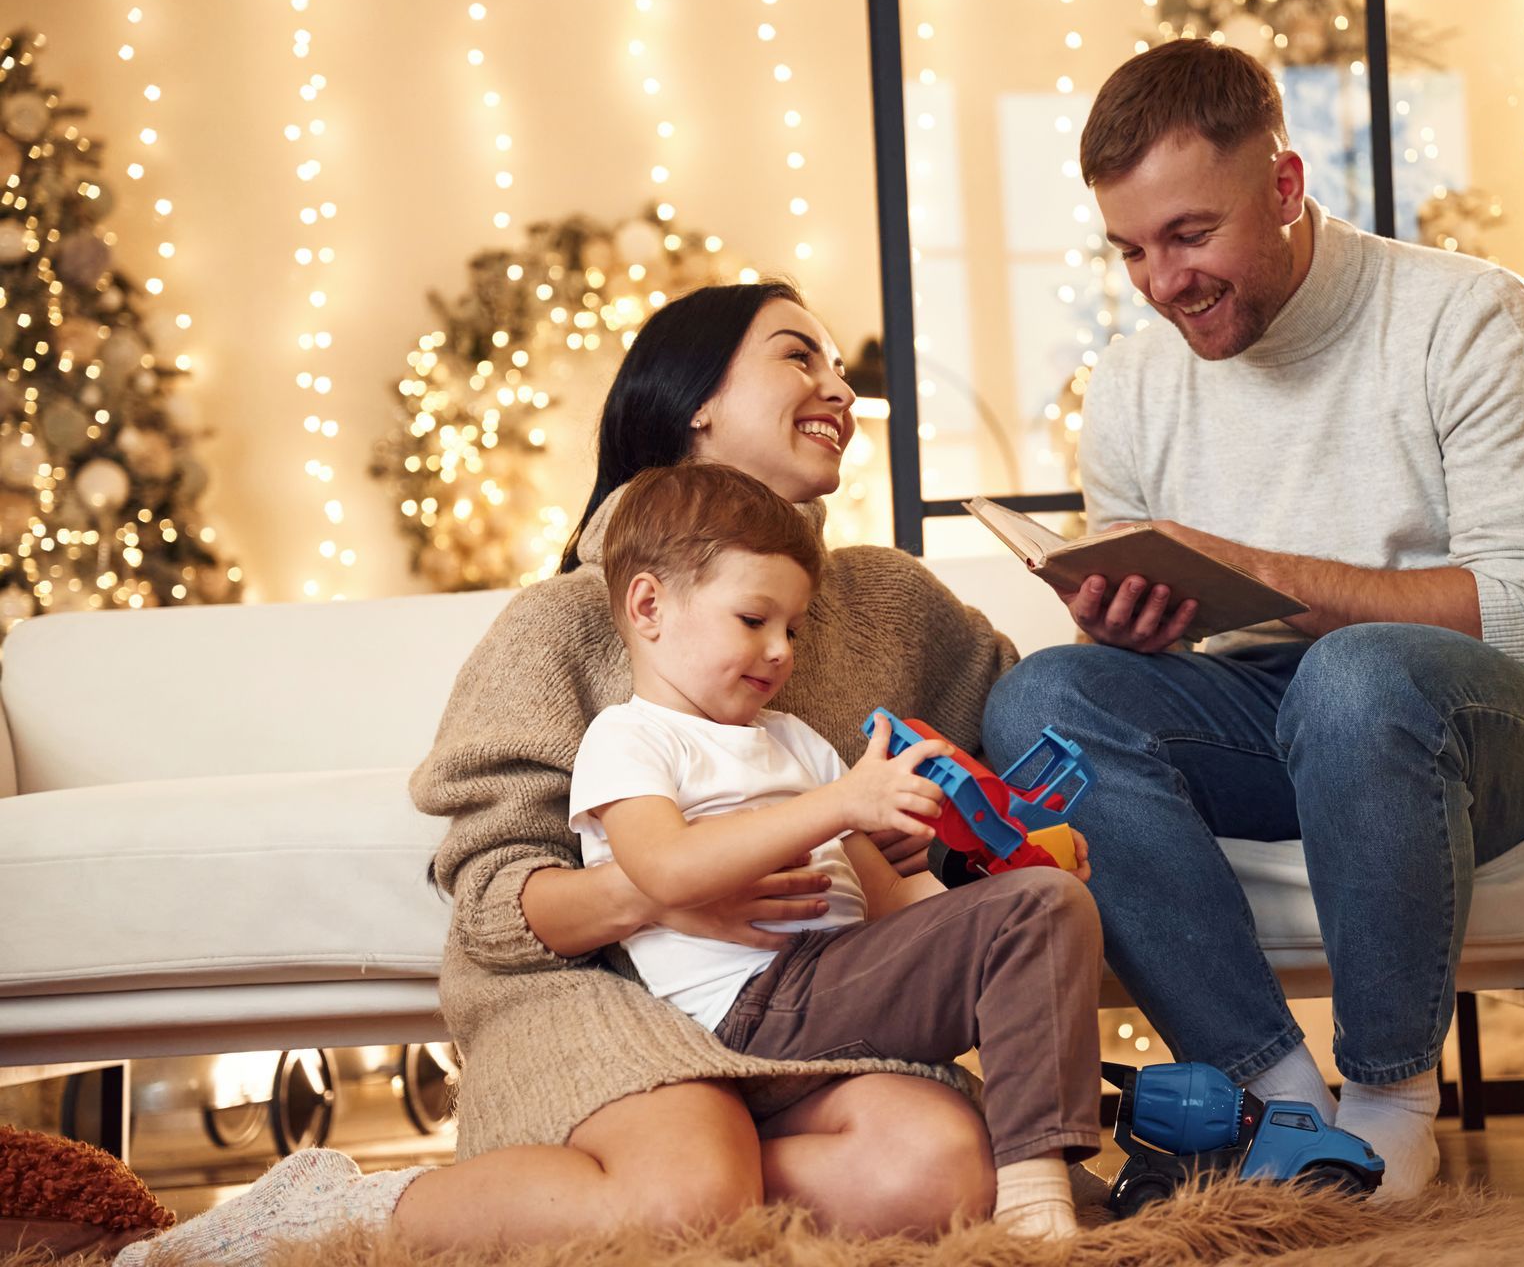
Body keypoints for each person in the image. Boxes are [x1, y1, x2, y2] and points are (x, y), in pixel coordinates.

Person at [118, 281, 1023, 1266]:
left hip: (802, 991)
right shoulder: (559, 620)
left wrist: (952, 821)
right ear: (696, 400)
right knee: (687, 1189)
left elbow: (1005, 736)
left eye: (841, 368)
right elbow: (500, 905)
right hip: (596, 981)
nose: (839, 387)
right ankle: (345, 1211)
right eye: (799, 356)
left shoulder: (891, 599)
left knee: (938, 1173)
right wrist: (673, 885)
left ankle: (662, 1188)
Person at [981, 39, 1524, 1202]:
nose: (1163, 281)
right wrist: (1135, 620)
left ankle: (1386, 1102)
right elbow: (1149, 662)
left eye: (1189, 235)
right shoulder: (1130, 383)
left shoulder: (1468, 316)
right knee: (1041, 698)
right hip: (1267, 718)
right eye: (1131, 250)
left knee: (1357, 678)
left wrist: (1259, 569)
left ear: (1283, 185)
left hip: (1484, 724)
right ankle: (1282, 1103)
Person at [573, 459, 1101, 1238]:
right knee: (1033, 912)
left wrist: (1007, 890)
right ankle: (1037, 1196)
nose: (781, 650)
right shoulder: (630, 738)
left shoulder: (794, 742)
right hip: (749, 1011)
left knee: (1047, 903)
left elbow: (888, 905)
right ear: (649, 606)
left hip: (832, 986)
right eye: (754, 621)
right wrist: (839, 802)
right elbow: (664, 870)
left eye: (793, 627)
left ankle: (1034, 1171)